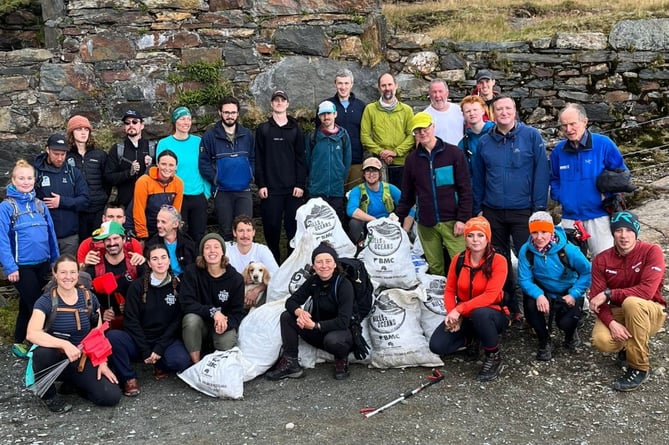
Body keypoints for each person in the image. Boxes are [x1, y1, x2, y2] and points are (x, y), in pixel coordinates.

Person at [472, 95, 550, 325]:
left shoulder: (531, 136)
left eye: (508, 108)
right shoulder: (485, 142)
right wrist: (478, 208)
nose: (503, 112)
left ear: (515, 111)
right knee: (499, 261)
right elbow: (478, 178)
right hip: (493, 210)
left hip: (523, 211)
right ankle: (509, 308)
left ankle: (534, 311)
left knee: (530, 259)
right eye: (499, 109)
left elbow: (541, 174)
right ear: (492, 113)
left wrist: (538, 209)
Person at [26, 255, 121, 413]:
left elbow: (98, 335)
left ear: (78, 274)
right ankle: (48, 396)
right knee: (42, 353)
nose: (68, 277)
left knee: (110, 397)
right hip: (56, 358)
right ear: (55, 273)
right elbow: (32, 334)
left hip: (82, 358)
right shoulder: (45, 301)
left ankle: (75, 384)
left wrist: (103, 363)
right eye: (63, 272)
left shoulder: (90, 299)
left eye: (72, 272)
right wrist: (64, 344)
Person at [589, 211, 666, 391]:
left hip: (650, 309)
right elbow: (596, 300)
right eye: (619, 231)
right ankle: (628, 346)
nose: (624, 236)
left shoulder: (651, 251)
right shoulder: (602, 260)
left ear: (636, 232)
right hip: (619, 312)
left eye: (629, 230)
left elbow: (646, 292)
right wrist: (612, 323)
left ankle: (639, 367)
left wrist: (609, 294)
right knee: (601, 340)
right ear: (613, 233)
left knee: (632, 302)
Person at [428, 216, 508, 382]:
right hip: (465, 315)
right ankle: (474, 338)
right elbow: (449, 289)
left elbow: (490, 295)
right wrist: (452, 313)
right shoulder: (459, 259)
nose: (475, 240)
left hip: (493, 313)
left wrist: (459, 310)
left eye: (480, 235)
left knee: (480, 314)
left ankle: (494, 355)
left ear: (488, 238)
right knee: (437, 346)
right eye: (471, 235)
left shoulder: (498, 260)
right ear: (465, 238)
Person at [107, 244, 191, 397]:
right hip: (139, 340)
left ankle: (159, 363)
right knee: (113, 338)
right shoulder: (137, 287)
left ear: (169, 260)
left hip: (165, 340)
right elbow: (130, 321)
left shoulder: (178, 286)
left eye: (163, 257)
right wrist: (145, 349)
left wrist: (159, 348)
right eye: (155, 258)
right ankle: (129, 378)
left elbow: (177, 322)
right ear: (148, 263)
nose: (160, 262)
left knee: (181, 361)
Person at [396, 112, 472, 276]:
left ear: (433, 127)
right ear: (414, 134)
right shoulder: (412, 160)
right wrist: (396, 218)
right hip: (426, 223)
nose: (422, 133)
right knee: (435, 267)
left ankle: (465, 300)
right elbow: (407, 195)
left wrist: (462, 218)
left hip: (453, 222)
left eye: (425, 128)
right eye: (417, 130)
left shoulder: (454, 153)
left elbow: (465, 189)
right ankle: (440, 300)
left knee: (462, 265)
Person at [266, 242, 354, 381]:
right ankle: (291, 363)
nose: (324, 265)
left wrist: (314, 326)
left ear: (335, 264)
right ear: (313, 266)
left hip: (340, 334)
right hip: (317, 329)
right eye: (319, 262)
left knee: (332, 340)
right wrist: (300, 313)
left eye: (328, 261)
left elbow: (344, 321)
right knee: (287, 317)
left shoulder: (344, 285)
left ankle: (341, 359)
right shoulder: (313, 281)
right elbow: (291, 301)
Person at [550, 103, 628, 256]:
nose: (568, 129)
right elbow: (553, 179)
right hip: (569, 218)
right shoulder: (558, 151)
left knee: (604, 261)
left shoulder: (603, 144)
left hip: (599, 216)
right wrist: (562, 196)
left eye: (573, 124)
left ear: (584, 122)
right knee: (570, 265)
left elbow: (622, 174)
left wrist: (609, 194)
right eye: (564, 125)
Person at [0, 160, 59, 359]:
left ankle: (19, 341)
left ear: (35, 180)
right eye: (21, 178)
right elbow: (2, 240)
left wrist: (55, 262)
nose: (26, 182)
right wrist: (10, 267)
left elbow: (51, 235)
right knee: (38, 304)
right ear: (13, 180)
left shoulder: (40, 205)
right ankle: (40, 343)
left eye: (29, 178)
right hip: (22, 267)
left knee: (28, 305)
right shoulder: (6, 207)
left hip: (43, 264)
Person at [518, 211, 591, 361]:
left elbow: (587, 272)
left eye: (544, 232)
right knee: (531, 305)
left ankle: (570, 334)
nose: (539, 237)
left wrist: (574, 293)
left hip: (568, 289)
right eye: (535, 232)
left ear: (551, 230)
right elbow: (524, 279)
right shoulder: (526, 251)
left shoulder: (568, 250)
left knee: (565, 323)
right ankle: (544, 341)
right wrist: (538, 295)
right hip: (543, 289)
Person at [254, 90, 307, 263]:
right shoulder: (263, 129)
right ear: (271, 104)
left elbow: (301, 158)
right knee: (271, 229)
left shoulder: (296, 129)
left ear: (287, 104)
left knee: (293, 230)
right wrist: (261, 184)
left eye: (282, 100)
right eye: (276, 100)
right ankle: (273, 264)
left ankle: (292, 265)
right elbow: (258, 159)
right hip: (270, 190)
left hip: (293, 190)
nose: (279, 103)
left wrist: (300, 184)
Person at [180, 233, 245, 363]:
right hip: (201, 324)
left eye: (216, 247)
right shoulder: (191, 272)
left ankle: (217, 368)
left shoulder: (236, 279)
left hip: (222, 324)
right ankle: (196, 364)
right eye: (207, 247)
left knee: (226, 342)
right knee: (190, 320)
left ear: (222, 252)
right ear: (202, 252)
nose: (212, 251)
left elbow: (237, 312)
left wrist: (226, 323)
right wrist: (213, 312)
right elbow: (186, 303)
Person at [199, 97, 254, 242]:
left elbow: (254, 158)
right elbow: (203, 163)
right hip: (222, 191)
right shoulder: (210, 136)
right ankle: (228, 263)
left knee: (245, 231)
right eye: (226, 112)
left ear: (238, 113)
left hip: (244, 190)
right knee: (226, 231)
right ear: (220, 113)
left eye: (233, 112)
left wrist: (250, 174)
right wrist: (216, 178)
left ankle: (246, 264)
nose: (230, 116)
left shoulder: (247, 134)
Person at [157, 106, 210, 244]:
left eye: (189, 119)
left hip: (198, 195)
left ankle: (197, 264)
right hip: (176, 196)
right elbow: (161, 171)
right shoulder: (164, 143)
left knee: (198, 235)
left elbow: (206, 166)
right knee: (180, 235)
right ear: (175, 122)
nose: (186, 122)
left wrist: (206, 192)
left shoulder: (198, 142)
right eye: (182, 119)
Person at [33, 133, 90, 256]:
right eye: (56, 154)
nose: (60, 158)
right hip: (44, 236)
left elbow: (85, 200)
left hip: (69, 238)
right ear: (47, 150)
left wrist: (62, 202)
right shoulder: (35, 173)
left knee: (67, 274)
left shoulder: (73, 173)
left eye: (63, 154)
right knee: (45, 274)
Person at [84, 221, 145, 329]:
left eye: (115, 238)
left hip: (136, 324)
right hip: (106, 327)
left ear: (124, 239)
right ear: (103, 242)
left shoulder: (135, 264)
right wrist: (100, 313)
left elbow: (149, 296)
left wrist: (132, 307)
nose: (112, 243)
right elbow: (84, 301)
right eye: (107, 239)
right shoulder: (94, 267)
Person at [360, 73, 414, 188]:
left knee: (401, 199)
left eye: (390, 84)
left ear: (396, 86)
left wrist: (395, 152)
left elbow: (411, 136)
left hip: (402, 164)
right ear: (379, 88)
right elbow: (365, 136)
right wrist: (382, 152)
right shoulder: (370, 109)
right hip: (378, 165)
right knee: (382, 200)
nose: (387, 88)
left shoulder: (406, 110)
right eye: (383, 85)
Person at [346, 157, 413, 243]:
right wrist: (375, 220)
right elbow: (351, 210)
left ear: (380, 173)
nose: (371, 174)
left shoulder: (390, 188)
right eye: (368, 171)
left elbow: (409, 206)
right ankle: (360, 248)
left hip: (389, 224)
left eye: (374, 171)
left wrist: (404, 232)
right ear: (363, 174)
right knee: (354, 223)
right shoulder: (357, 190)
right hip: (368, 225)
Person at [320, 68, 367, 191]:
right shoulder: (327, 105)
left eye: (346, 83)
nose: (343, 87)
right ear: (335, 84)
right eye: (340, 83)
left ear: (351, 84)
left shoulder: (361, 106)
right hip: (333, 161)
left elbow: (365, 132)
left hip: (356, 161)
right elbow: (319, 132)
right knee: (335, 197)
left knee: (354, 197)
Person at [306, 100, 352, 221]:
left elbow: (347, 161)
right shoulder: (313, 136)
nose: (326, 117)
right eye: (323, 114)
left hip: (336, 191)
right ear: (319, 116)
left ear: (335, 114)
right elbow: (307, 162)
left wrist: (340, 178)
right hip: (316, 190)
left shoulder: (343, 136)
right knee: (316, 224)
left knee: (336, 223)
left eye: (329, 113)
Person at [65, 115, 109, 242]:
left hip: (98, 208)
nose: (83, 132)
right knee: (81, 245)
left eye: (86, 129)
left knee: (99, 243)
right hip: (77, 210)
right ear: (71, 133)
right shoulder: (67, 157)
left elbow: (107, 180)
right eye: (79, 129)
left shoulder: (99, 155)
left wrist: (102, 197)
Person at [225, 215, 279, 309]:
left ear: (254, 232)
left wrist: (257, 290)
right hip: (234, 294)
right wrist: (241, 280)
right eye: (241, 231)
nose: (245, 235)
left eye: (249, 230)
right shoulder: (227, 250)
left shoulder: (262, 250)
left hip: (260, 296)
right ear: (234, 233)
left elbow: (277, 276)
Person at [105, 110, 155, 208]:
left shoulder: (152, 147)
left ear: (142, 125)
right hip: (125, 204)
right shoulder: (117, 148)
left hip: (148, 204)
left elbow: (162, 174)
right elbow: (108, 177)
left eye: (135, 122)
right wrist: (129, 173)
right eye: (127, 123)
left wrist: (151, 166)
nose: (131, 125)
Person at [132, 149, 184, 241]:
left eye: (171, 165)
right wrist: (142, 236)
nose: (167, 168)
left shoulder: (178, 183)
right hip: (146, 228)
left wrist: (172, 233)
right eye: (163, 164)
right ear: (157, 164)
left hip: (165, 229)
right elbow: (138, 211)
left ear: (176, 167)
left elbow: (175, 213)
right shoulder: (143, 181)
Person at [77, 203, 144, 271]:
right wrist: (85, 265)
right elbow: (78, 275)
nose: (114, 221)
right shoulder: (87, 244)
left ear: (124, 219)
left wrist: (142, 262)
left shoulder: (134, 244)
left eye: (119, 217)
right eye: (110, 216)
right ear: (103, 218)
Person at [147, 205, 197, 278]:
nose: (158, 225)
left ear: (175, 224)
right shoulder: (151, 244)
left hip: (185, 282)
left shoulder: (188, 244)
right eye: (158, 221)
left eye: (163, 222)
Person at [458, 95, 495, 180]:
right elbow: (465, 173)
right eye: (468, 111)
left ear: (483, 110)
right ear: (463, 115)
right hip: (478, 189)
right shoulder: (464, 144)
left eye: (475, 110)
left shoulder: (497, 133)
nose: (472, 113)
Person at [423, 79, 464, 146]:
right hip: (437, 155)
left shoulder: (459, 110)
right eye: (434, 92)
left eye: (440, 91)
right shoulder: (425, 116)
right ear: (429, 94)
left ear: (447, 93)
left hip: (460, 154)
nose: (437, 95)